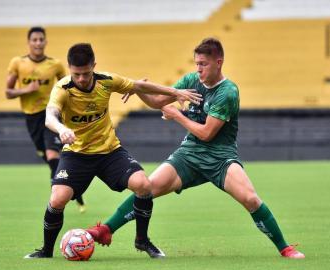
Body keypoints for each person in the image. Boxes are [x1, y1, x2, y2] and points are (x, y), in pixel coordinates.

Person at [87, 37, 305, 259]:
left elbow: (207, 133)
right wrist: (139, 90)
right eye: (197, 63)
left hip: (220, 157)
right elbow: (157, 102)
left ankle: (285, 248)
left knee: (250, 199)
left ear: (218, 62)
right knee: (148, 188)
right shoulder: (192, 80)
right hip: (190, 154)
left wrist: (177, 116)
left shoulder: (227, 92)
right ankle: (106, 230)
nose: (199, 69)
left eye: (204, 64)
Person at [23, 43, 202, 259]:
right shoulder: (63, 89)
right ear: (70, 68)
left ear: (94, 66)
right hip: (76, 154)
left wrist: (175, 92)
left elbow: (138, 86)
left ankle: (142, 241)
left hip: (109, 152)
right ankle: (46, 250)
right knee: (58, 199)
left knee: (143, 185)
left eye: (86, 73)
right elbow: (49, 116)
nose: (81, 79)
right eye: (76, 74)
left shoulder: (106, 81)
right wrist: (61, 129)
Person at [5, 26, 86, 212]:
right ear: (29, 42)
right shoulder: (18, 63)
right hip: (31, 117)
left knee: (52, 155)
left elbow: (69, 86)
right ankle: (74, 190)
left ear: (45, 42)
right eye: (34, 40)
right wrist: (26, 90)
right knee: (48, 158)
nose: (38, 43)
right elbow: (8, 92)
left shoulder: (55, 65)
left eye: (41, 39)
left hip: (51, 114)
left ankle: (59, 196)